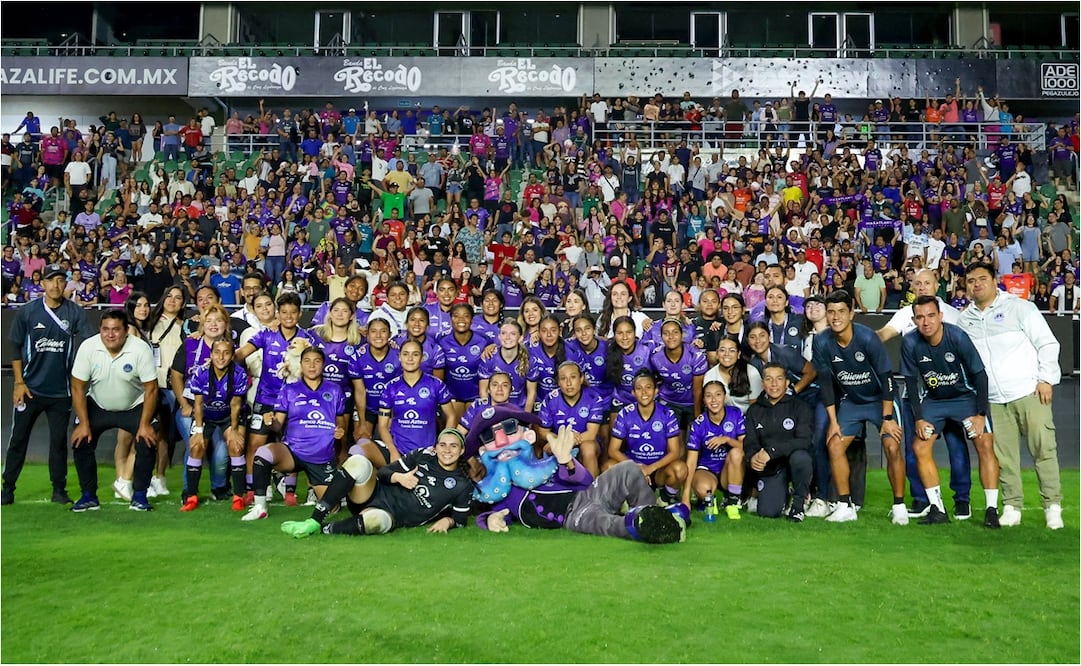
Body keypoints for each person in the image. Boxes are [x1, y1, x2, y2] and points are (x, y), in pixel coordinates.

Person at [959, 263, 1063, 529]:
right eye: (971, 281)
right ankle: (1013, 506)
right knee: (1004, 457)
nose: (977, 284)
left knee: (1043, 449)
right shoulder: (965, 320)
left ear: (995, 281)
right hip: (994, 400)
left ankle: (1052, 506)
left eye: (982, 279)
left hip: (1029, 391)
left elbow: (1048, 343)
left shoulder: (1019, 307)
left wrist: (1046, 379)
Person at [475, 424, 686, 544]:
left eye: (510, 429)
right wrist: (491, 518)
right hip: (574, 516)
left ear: (527, 436)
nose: (502, 441)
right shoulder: (502, 493)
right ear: (484, 453)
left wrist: (566, 460)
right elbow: (493, 514)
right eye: (490, 436)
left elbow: (586, 481)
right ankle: (646, 525)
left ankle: (655, 515)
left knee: (629, 469)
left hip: (589, 494)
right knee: (608, 524)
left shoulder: (543, 465)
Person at [876, 268, 972, 519]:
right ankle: (922, 499)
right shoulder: (905, 314)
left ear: (936, 284)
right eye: (916, 284)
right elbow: (884, 334)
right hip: (914, 394)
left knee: (956, 446)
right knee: (913, 447)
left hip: (948, 392)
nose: (921, 287)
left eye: (926, 283)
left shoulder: (951, 314)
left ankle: (962, 499)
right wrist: (860, 341)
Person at [900, 296, 1001, 528]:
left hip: (965, 398)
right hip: (934, 401)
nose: (926, 322)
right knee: (919, 446)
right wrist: (919, 418)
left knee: (984, 444)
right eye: (920, 317)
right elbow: (910, 381)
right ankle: (938, 509)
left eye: (931, 315)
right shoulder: (910, 342)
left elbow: (980, 375)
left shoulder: (957, 336)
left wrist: (980, 414)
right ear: (914, 320)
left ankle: (991, 510)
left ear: (941, 316)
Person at [811, 290, 907, 524]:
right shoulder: (822, 342)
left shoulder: (867, 338)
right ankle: (845, 505)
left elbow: (886, 378)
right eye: (831, 312)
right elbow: (825, 385)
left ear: (851, 313)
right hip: (852, 401)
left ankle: (899, 506)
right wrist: (833, 423)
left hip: (880, 400)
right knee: (834, 445)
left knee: (892, 446)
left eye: (841, 311)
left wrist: (887, 418)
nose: (835, 317)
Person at [3, 263, 94, 505]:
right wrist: (18, 382)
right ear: (41, 283)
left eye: (60, 280)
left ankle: (59, 490)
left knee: (58, 443)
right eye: (51, 280)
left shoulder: (74, 312)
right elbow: (14, 345)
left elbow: (87, 342)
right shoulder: (28, 311)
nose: (56, 285)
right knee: (18, 440)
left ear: (66, 284)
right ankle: (7, 488)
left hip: (61, 392)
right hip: (30, 388)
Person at [280, 428, 474, 538]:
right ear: (436, 447)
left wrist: (447, 521)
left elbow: (460, 519)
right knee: (358, 461)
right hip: (371, 494)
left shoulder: (462, 484)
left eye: (453, 446)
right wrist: (399, 477)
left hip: (390, 516)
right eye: (442, 445)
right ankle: (314, 520)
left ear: (462, 450)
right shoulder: (423, 455)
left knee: (376, 522)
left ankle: (324, 529)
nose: (447, 450)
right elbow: (385, 472)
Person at [241, 346, 346, 521]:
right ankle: (260, 507)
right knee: (263, 453)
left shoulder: (334, 390)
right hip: (293, 451)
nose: (312, 366)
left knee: (332, 508)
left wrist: (339, 433)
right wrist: (271, 421)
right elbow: (277, 426)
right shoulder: (290, 389)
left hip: (321, 458)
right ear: (301, 365)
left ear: (324, 365)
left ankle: (337, 492)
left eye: (317, 361)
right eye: (307, 361)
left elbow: (340, 426)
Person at [69, 310, 159, 512]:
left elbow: (151, 388)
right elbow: (77, 387)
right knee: (80, 440)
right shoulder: (88, 347)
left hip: (134, 406)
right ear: (100, 330)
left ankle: (139, 496)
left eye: (116, 330)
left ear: (126, 331)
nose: (110, 335)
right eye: (105, 330)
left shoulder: (140, 349)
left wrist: (144, 425)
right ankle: (88, 496)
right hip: (98, 404)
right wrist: (83, 424)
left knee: (148, 439)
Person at [182, 339, 249, 512]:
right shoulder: (200, 373)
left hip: (229, 416)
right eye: (217, 352)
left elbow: (235, 404)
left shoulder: (239, 373)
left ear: (232, 356)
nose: (221, 357)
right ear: (211, 355)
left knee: (235, 445)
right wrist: (198, 430)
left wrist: (234, 430)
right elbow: (197, 404)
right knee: (196, 447)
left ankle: (238, 496)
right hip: (206, 416)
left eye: (226, 353)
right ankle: (191, 496)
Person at [743, 363, 815, 521]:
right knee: (768, 512)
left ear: (787, 383)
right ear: (763, 383)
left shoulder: (800, 407)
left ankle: (798, 504)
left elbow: (804, 441)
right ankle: (784, 494)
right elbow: (750, 442)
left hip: (794, 461)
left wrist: (772, 451)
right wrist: (752, 457)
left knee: (801, 458)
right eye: (769, 379)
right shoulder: (754, 411)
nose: (774, 384)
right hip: (772, 467)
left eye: (779, 379)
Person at [606, 369, 687, 504]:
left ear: (656, 391)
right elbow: (612, 450)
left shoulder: (668, 414)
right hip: (634, 467)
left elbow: (675, 452)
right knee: (608, 467)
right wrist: (637, 467)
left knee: (680, 469)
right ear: (633, 393)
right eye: (639, 388)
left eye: (648, 388)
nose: (644, 392)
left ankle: (664, 498)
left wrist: (649, 469)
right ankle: (624, 500)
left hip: (659, 469)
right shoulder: (624, 414)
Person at [683, 381, 745, 519]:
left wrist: (727, 440)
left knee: (736, 452)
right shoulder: (699, 423)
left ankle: (732, 502)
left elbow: (746, 447)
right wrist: (685, 496)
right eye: (709, 396)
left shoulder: (735, 414)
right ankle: (708, 500)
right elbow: (691, 462)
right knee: (704, 489)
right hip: (707, 469)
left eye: (718, 395)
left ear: (725, 397)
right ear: (704, 400)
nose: (714, 400)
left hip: (729, 470)